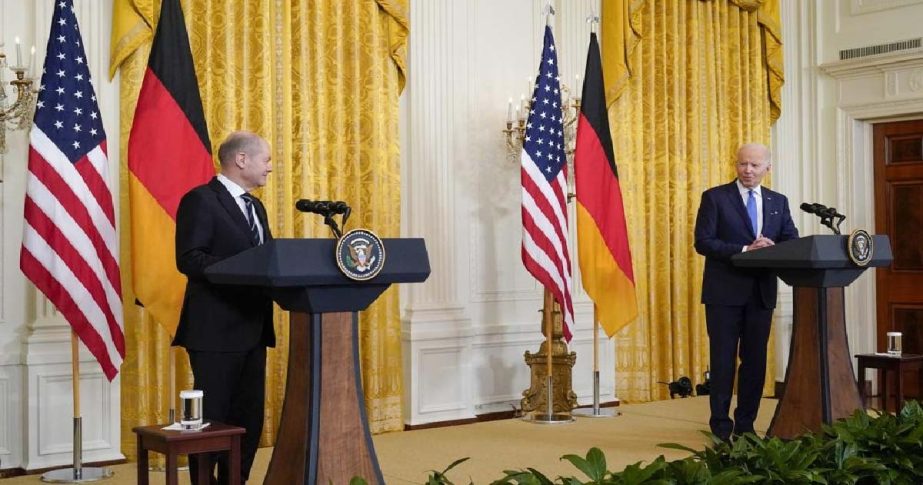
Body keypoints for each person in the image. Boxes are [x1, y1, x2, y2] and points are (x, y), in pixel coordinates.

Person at [173, 131, 275, 484]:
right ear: (241, 159)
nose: (270, 168)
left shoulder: (256, 207)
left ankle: (237, 481)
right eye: (267, 160)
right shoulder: (201, 200)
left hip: (254, 329)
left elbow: (268, 260)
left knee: (248, 419)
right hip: (214, 330)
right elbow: (190, 259)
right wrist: (244, 271)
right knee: (213, 420)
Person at [693, 143, 798, 441]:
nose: (748, 170)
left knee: (755, 362)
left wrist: (772, 249)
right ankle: (721, 426)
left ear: (768, 167)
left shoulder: (778, 201)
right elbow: (703, 242)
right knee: (723, 361)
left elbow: (792, 239)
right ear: (736, 165)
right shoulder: (715, 197)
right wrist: (744, 250)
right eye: (743, 164)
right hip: (723, 293)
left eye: (754, 165)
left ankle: (746, 425)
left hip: (761, 294)